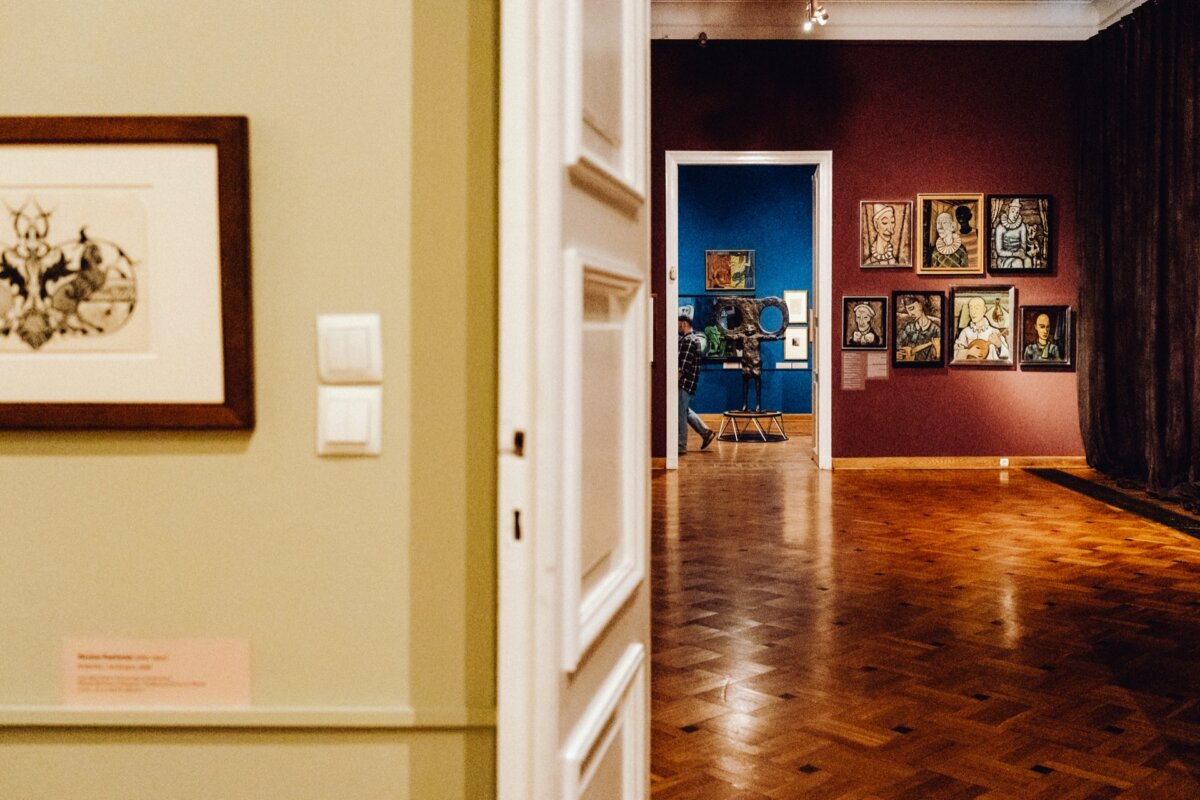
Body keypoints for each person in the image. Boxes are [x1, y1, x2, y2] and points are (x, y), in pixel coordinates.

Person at [678, 314, 716, 454]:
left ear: (683, 324)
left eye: (678, 324)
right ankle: (706, 433)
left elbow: (683, 367)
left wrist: (672, 382)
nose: (677, 327)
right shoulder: (693, 339)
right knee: (684, 411)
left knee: (680, 414)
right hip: (690, 382)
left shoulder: (688, 340)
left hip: (685, 382)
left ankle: (681, 446)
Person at [953, 296, 1010, 360]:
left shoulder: (994, 332)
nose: (973, 312)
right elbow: (954, 355)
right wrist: (968, 352)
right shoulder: (965, 332)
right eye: (971, 308)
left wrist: (999, 344)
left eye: (977, 308)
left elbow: (1008, 356)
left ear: (984, 310)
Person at [895, 294, 941, 361]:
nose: (910, 314)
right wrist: (896, 354)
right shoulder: (908, 328)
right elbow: (897, 344)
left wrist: (938, 352)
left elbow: (939, 358)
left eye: (912, 309)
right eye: (908, 311)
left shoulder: (936, 330)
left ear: (920, 305)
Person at [994, 198, 1032, 269]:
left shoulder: (1022, 226)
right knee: (1017, 263)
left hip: (1019, 255)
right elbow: (999, 251)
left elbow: (1023, 245)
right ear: (1008, 211)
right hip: (1004, 258)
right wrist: (1014, 254)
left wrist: (1021, 251)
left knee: (1028, 260)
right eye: (1013, 211)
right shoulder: (1000, 228)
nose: (1015, 215)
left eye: (1017, 212)